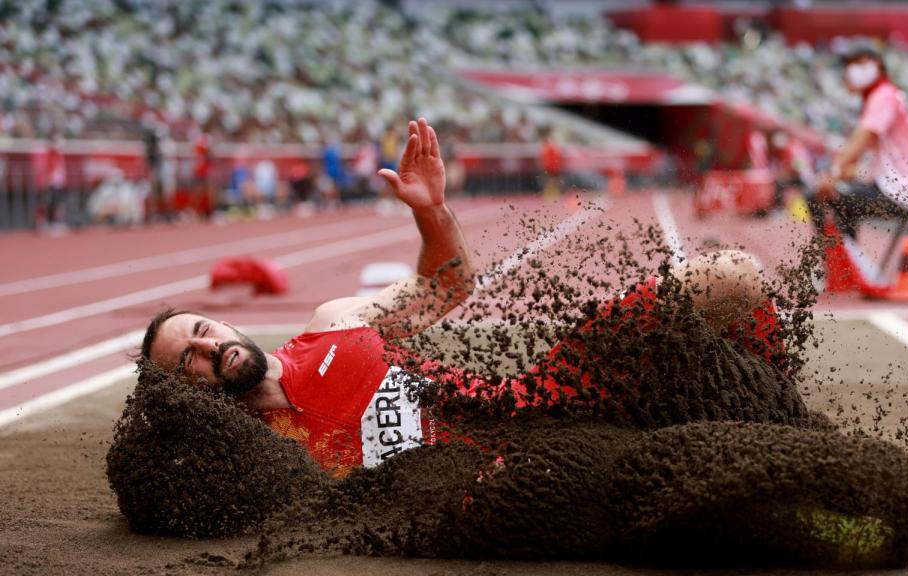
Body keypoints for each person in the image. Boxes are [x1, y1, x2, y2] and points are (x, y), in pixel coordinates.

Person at [140, 118, 779, 478]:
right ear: (183, 392)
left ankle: (779, 407)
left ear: (222, 320)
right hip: (501, 488)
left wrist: (433, 212)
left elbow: (446, 287)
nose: (207, 346)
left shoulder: (333, 323)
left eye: (201, 328)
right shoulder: (250, 455)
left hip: (534, 405)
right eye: (186, 359)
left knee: (731, 274)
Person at [810, 42, 908, 240]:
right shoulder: (886, 96)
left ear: (876, 65)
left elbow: (858, 142)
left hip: (900, 196)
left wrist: (832, 173)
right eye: (849, 64)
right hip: (907, 191)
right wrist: (842, 173)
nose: (851, 70)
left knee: (818, 197)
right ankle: (846, 264)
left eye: (858, 62)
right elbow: (863, 156)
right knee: (838, 197)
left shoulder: (883, 96)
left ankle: (843, 267)